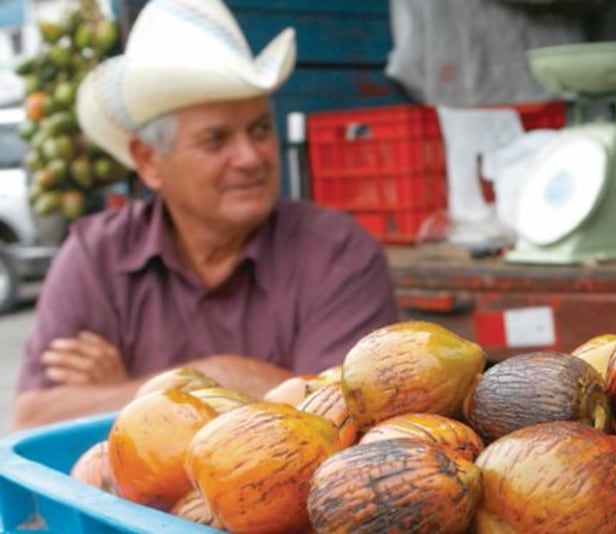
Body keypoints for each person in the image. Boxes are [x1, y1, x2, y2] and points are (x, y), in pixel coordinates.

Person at [11, 0, 399, 429]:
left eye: (260, 130)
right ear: (149, 162)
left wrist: (155, 391)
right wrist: (238, 383)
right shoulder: (96, 254)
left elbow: (335, 420)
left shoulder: (338, 252)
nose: (250, 157)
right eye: (216, 140)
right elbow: (32, 417)